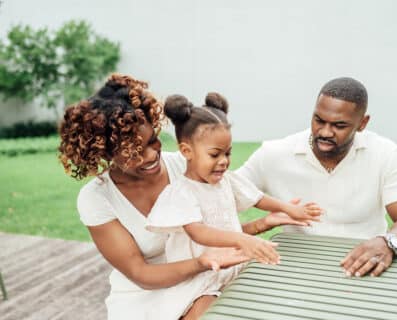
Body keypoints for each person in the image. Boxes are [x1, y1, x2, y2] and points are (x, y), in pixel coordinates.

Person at [58, 74, 309, 320]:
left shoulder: (186, 166)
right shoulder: (97, 198)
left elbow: (209, 233)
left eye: (153, 141)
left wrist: (261, 224)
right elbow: (140, 273)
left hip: (206, 275)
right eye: (133, 152)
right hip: (147, 294)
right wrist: (201, 262)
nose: (150, 155)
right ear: (106, 153)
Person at [144, 93, 321, 319]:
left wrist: (289, 208)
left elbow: (257, 198)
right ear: (187, 151)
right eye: (214, 154)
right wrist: (241, 239)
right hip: (200, 277)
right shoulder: (182, 193)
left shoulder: (227, 180)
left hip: (233, 268)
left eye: (227, 153)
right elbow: (198, 232)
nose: (224, 161)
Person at [237, 77, 397, 278]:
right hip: (294, 268)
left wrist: (387, 243)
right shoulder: (274, 154)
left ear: (362, 123)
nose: (325, 132)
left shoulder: (384, 154)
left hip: (363, 268)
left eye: (339, 125)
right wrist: (259, 225)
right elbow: (221, 196)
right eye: (319, 120)